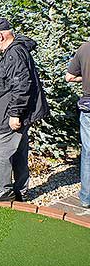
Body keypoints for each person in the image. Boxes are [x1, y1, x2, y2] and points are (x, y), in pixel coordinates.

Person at [0, 18, 49, 202]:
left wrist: (15, 113)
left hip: (10, 114)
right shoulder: (13, 52)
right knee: (18, 151)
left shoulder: (15, 54)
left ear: (1, 36)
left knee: (0, 150)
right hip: (9, 111)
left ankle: (4, 190)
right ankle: (21, 190)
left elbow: (22, 85)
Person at [65, 41, 90, 208]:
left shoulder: (84, 48)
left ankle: (86, 197)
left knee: (88, 152)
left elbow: (69, 77)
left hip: (88, 107)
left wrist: (84, 77)